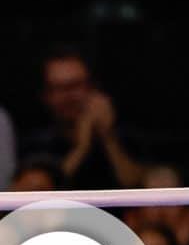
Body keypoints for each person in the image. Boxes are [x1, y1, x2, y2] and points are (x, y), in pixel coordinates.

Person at [21, 46, 145, 190]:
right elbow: (39, 194)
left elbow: (139, 189)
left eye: (75, 86)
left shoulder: (124, 134)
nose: (69, 97)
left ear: (93, 88)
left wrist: (107, 137)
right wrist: (81, 149)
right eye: (59, 88)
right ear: (45, 96)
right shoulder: (34, 143)